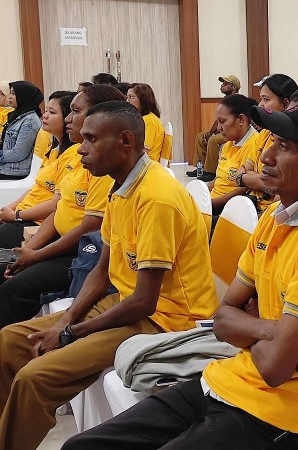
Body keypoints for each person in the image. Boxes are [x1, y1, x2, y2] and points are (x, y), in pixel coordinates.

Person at [65, 94, 298, 450]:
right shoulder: (275, 218)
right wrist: (272, 329)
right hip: (227, 381)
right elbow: (222, 319)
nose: (266, 156)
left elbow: (275, 367)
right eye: (272, 141)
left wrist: (255, 325)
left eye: (285, 147)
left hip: (284, 415)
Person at [1, 101, 217, 450]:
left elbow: (145, 302)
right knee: (10, 340)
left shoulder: (157, 199)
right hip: (124, 304)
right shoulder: (120, 187)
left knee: (35, 377)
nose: (80, 148)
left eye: (91, 139)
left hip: (166, 320)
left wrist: (69, 333)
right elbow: (102, 271)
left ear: (125, 142)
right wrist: (66, 320)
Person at [0, 85, 122, 329]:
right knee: (8, 264)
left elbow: (90, 228)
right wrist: (29, 250)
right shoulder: (77, 155)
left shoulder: (103, 167)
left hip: (83, 252)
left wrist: (35, 254)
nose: (68, 118)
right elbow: (60, 210)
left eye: (75, 111)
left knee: (14, 288)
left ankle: (15, 343)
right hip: (60, 241)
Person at [0, 91, 76, 248]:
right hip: (23, 214)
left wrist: (16, 215)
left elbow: (57, 203)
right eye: (46, 110)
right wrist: (8, 209)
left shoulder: (73, 155)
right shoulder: (53, 150)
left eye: (52, 112)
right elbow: (36, 187)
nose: (44, 116)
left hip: (36, 222)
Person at [239, 74, 298, 213]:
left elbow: (281, 188)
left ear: (286, 104)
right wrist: (247, 177)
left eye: (266, 99)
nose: (260, 105)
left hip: (271, 211)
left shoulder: (294, 142)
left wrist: (244, 178)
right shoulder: (264, 134)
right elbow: (246, 169)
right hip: (250, 204)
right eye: (261, 99)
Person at [207, 94, 259, 216]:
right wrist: (201, 194)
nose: (218, 128)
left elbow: (244, 189)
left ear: (241, 119)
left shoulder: (254, 144)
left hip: (229, 209)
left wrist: (210, 204)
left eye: (222, 121)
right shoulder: (227, 144)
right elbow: (218, 179)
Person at [187, 75, 241, 181]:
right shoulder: (225, 100)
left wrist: (213, 134)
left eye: (225, 84)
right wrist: (210, 132)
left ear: (234, 87)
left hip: (232, 132)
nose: (222, 85)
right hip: (222, 130)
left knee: (213, 140)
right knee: (200, 136)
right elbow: (218, 120)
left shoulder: (237, 101)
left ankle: (211, 172)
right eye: (222, 83)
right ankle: (201, 168)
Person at [0, 81, 43, 180]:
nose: (10, 97)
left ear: (24, 96)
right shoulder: (18, 116)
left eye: (14, 94)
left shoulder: (30, 121)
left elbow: (18, 153)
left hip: (15, 170)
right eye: (10, 93)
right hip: (7, 165)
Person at [126, 83, 166, 163]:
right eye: (127, 97)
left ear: (143, 100)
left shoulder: (149, 120)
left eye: (131, 97)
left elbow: (143, 151)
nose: (127, 101)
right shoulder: (143, 118)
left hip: (146, 165)